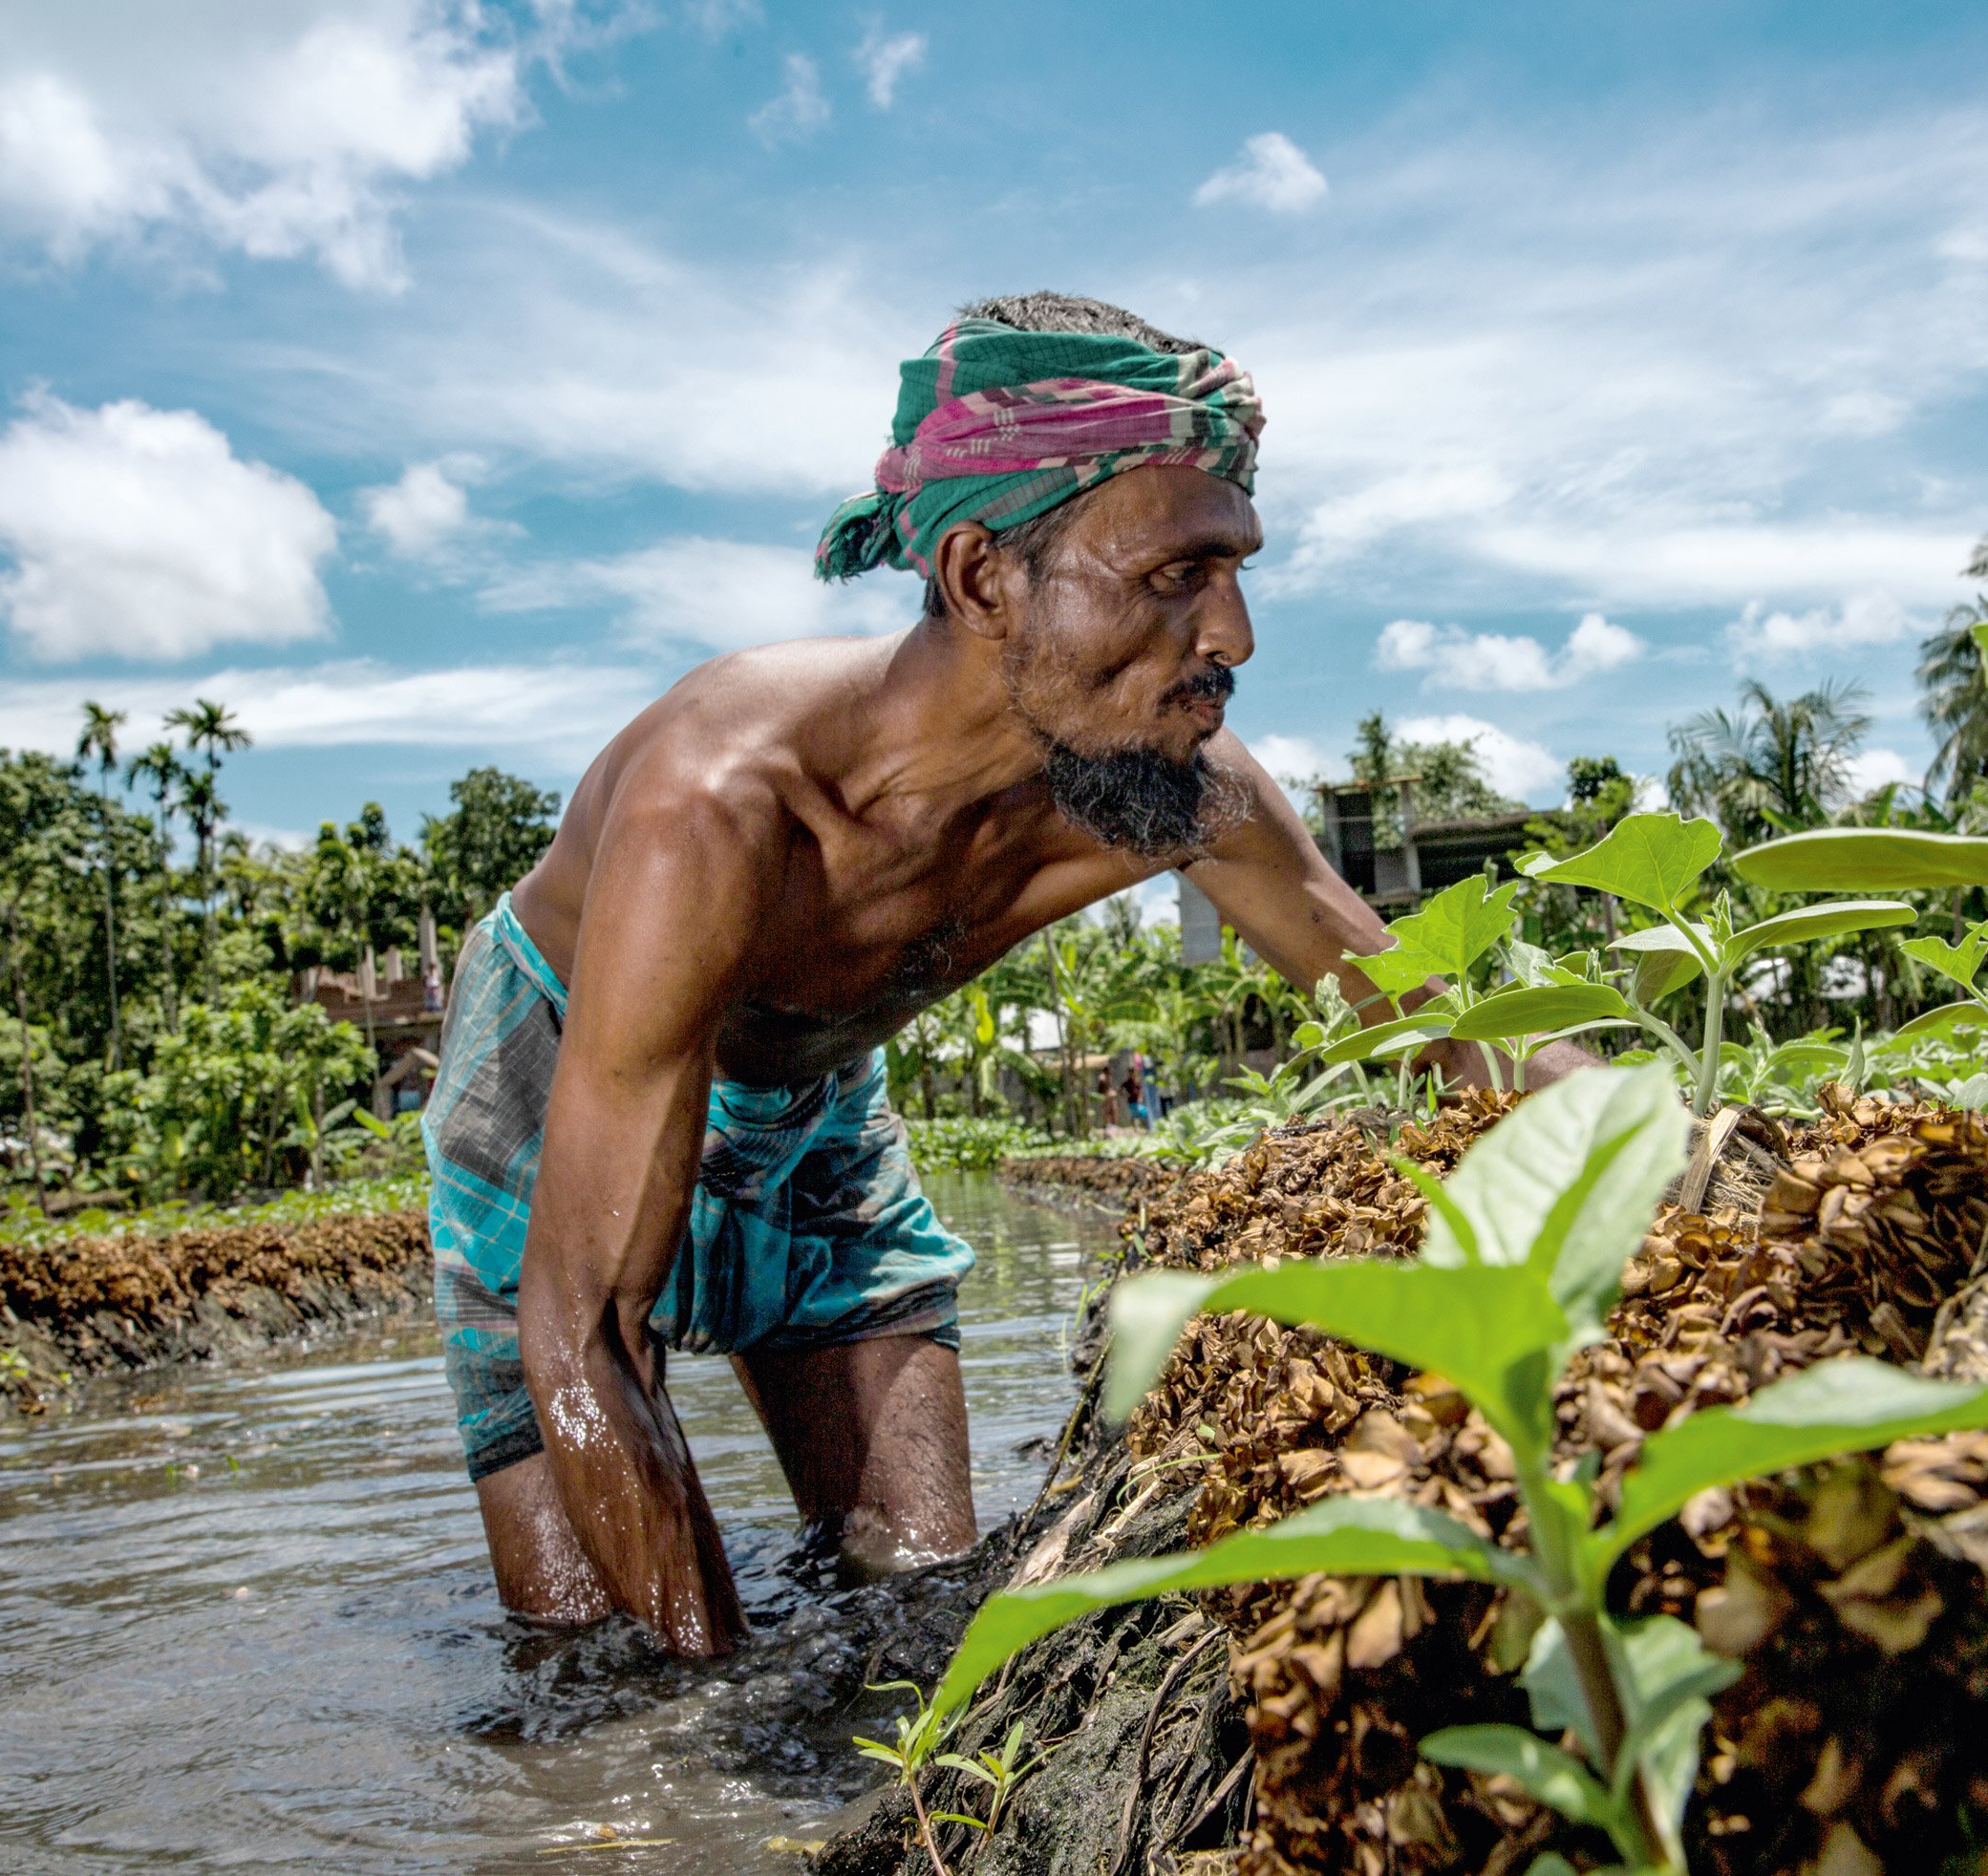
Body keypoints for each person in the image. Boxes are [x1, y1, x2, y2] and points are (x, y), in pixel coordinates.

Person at [421, 291, 1593, 1659]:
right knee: (598, 1673)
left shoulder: (1165, 789)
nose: (1235, 636)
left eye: (1236, 570)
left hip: (808, 1099)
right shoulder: (724, 806)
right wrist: (706, 1718)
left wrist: (1694, 1144)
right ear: (983, 577)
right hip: (561, 1069)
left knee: (918, 1605)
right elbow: (585, 1331)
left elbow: (1442, 1022)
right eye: (1173, 577)